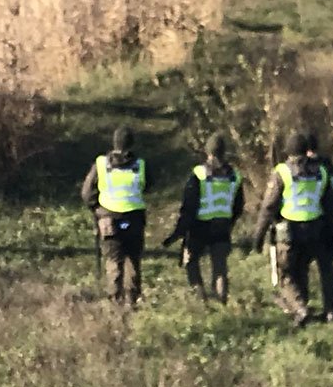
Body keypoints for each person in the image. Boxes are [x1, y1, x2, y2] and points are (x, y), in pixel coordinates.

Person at [249, 130, 333, 326]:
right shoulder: (321, 172)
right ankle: (303, 309)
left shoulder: (282, 172)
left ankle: (300, 309)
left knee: (286, 275)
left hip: (289, 232)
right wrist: (331, 232)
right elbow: (330, 206)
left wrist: (258, 236)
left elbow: (268, 207)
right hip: (315, 230)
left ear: (288, 151)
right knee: (301, 270)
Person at [162, 133, 244, 304]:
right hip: (223, 226)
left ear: (208, 153)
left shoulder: (199, 174)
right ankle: (222, 302)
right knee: (220, 267)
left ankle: (201, 300)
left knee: (190, 262)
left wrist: (178, 232)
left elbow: (189, 207)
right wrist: (230, 222)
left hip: (199, 227)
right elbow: (238, 205)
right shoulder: (235, 175)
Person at [81, 126, 151, 307]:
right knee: (133, 260)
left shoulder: (101, 164)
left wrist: (96, 208)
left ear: (114, 143)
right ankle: (133, 299)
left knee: (113, 260)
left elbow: (87, 192)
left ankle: (114, 301)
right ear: (132, 143)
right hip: (134, 220)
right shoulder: (140, 165)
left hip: (108, 219)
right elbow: (147, 186)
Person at [305, 131, 333, 321]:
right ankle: (331, 310)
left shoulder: (306, 169)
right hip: (330, 225)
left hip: (308, 223)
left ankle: (302, 308)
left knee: (300, 267)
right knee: (327, 269)